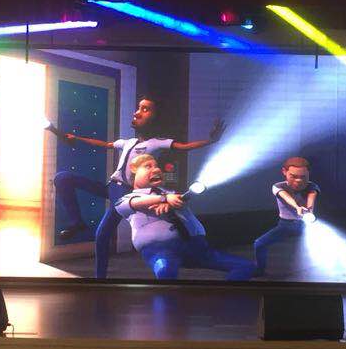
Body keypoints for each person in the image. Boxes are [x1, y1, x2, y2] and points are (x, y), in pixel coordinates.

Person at [48, 96, 224, 279]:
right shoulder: (127, 142)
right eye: (138, 108)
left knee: (102, 235)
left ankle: (99, 279)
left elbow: (184, 147)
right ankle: (77, 222)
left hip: (123, 193)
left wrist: (210, 141)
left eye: (145, 109)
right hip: (111, 187)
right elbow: (105, 144)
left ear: (155, 118)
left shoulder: (156, 143)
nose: (137, 113)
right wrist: (77, 138)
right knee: (63, 178)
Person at [115, 153, 256, 281]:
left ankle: (224, 296)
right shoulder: (126, 199)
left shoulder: (171, 194)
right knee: (165, 270)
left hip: (197, 248)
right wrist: (163, 199)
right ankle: (166, 300)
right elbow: (136, 202)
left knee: (246, 266)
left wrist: (170, 200)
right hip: (162, 250)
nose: (156, 169)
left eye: (156, 166)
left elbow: (178, 200)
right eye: (148, 166)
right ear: (133, 170)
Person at [253, 156, 319, 276]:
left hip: (305, 226)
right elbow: (285, 197)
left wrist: (309, 210)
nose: (298, 181)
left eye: (303, 177)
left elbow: (311, 198)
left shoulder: (312, 186)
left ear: (308, 174)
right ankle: (260, 270)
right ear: (284, 172)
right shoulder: (278, 186)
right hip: (285, 225)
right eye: (293, 176)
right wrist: (297, 207)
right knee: (259, 244)